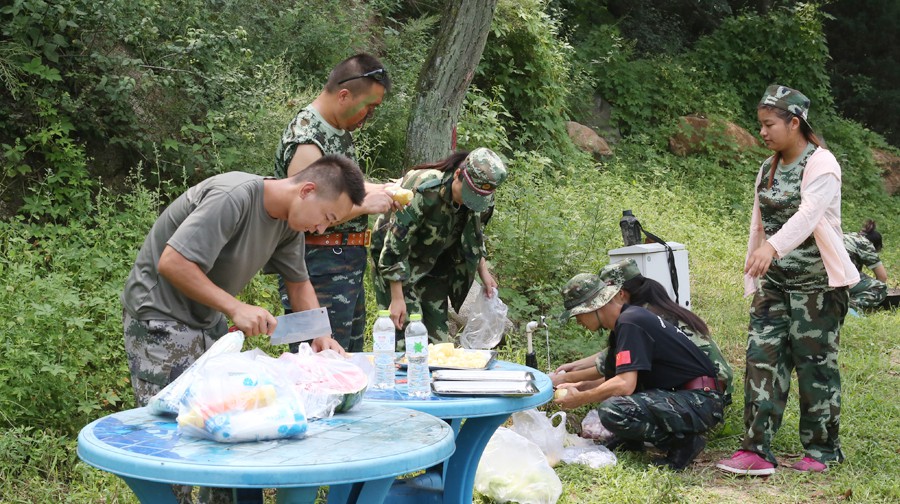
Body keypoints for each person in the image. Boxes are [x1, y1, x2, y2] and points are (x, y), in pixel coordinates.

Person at [122, 156, 364, 504]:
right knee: (175, 439)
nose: (322, 230)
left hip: (208, 321)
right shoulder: (233, 197)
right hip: (160, 317)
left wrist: (320, 334)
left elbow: (298, 283)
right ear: (307, 191)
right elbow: (172, 262)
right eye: (326, 217)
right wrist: (236, 307)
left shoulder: (289, 223)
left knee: (223, 430)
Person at [716, 85, 859, 476]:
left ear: (794, 123)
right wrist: (757, 260)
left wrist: (773, 247)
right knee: (761, 360)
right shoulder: (768, 167)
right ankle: (756, 450)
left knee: (815, 367)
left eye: (769, 124)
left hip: (817, 286)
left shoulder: (822, 163)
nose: (762, 132)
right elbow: (758, 223)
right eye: (760, 125)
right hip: (775, 284)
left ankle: (822, 450)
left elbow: (809, 215)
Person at [274, 53, 399, 352]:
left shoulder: (337, 130)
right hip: (316, 270)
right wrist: (368, 204)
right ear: (344, 95)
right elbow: (308, 214)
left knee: (348, 361)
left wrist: (384, 189)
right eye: (369, 107)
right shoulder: (307, 139)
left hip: (344, 266)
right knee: (319, 365)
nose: (369, 116)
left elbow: (339, 191)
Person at [555, 272, 725, 471]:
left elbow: (624, 385)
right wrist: (579, 387)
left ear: (593, 307)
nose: (578, 321)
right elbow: (615, 379)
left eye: (578, 315)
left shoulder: (630, 322)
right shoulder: (626, 322)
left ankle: (683, 444)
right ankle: (631, 440)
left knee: (612, 409)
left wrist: (581, 398)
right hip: (687, 397)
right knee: (615, 399)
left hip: (701, 400)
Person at [553, 258, 733, 406]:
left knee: (616, 407)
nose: (579, 322)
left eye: (578, 315)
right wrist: (577, 381)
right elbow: (616, 363)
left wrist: (569, 383)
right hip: (696, 389)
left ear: (620, 293)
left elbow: (620, 377)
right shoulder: (637, 316)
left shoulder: (636, 319)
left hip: (706, 390)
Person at [370, 147, 507, 341]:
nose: (470, 202)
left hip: (433, 264)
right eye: (468, 194)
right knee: (406, 338)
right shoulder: (426, 188)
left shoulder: (481, 200)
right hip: (396, 261)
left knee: (439, 342)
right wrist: (397, 297)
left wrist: (483, 270)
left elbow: (474, 233)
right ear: (458, 175)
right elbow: (395, 243)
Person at [843, 219, 888, 310]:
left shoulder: (846, 236)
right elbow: (882, 277)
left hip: (818, 278)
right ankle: (851, 305)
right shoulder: (865, 244)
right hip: (836, 281)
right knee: (880, 287)